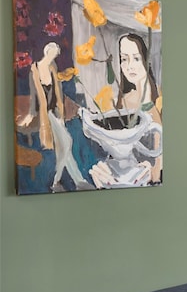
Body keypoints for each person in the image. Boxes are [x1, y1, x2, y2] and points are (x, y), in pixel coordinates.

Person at [88, 33, 162, 188]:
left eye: (136, 58)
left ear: (146, 59)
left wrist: (155, 171)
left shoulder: (161, 99)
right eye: (124, 59)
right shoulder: (120, 104)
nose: (129, 65)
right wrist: (102, 170)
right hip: (126, 179)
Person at [23, 42, 93, 192]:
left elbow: (58, 93)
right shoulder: (35, 70)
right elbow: (34, 97)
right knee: (67, 142)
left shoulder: (52, 68)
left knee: (63, 147)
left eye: (55, 54)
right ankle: (57, 180)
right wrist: (30, 114)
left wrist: (61, 115)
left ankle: (77, 181)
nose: (53, 56)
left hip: (55, 112)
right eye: (52, 53)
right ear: (46, 52)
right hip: (44, 114)